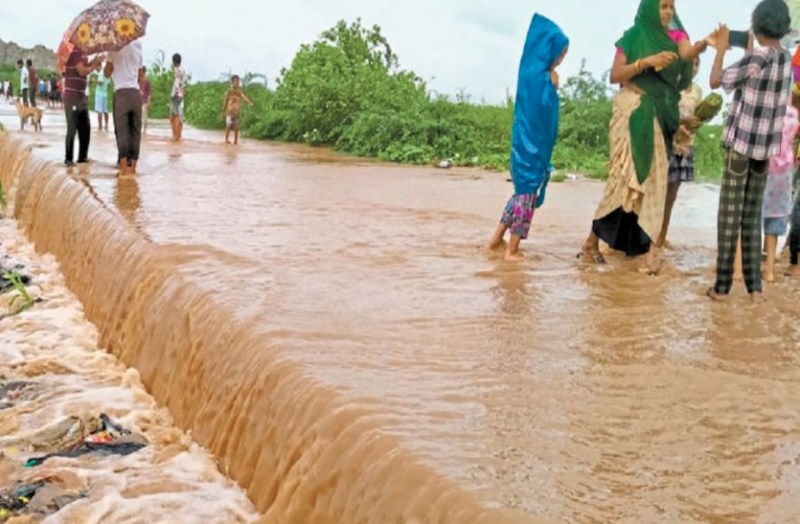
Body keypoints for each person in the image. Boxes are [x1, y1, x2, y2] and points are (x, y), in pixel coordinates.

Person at [579, 0, 708, 274]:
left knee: (653, 184)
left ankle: (646, 252)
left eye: (671, 7)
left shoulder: (674, 40)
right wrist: (645, 62)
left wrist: (699, 47)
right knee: (625, 181)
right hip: (632, 113)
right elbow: (616, 75)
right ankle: (594, 244)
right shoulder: (633, 37)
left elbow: (682, 74)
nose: (668, 12)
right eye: (662, 7)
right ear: (650, 8)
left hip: (658, 116)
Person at [707, 0, 792, 303]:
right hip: (765, 150)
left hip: (741, 146)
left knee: (729, 215)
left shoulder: (756, 57)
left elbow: (716, 81)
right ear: (784, 27)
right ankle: (755, 289)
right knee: (752, 216)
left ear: (756, 24)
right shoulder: (784, 60)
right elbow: (755, 77)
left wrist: (719, 49)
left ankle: (721, 287)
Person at [487, 14, 569, 262]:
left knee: (522, 194)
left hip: (525, 145)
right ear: (547, 49)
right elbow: (541, 109)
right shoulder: (539, 77)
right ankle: (512, 250)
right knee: (526, 197)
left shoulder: (532, 72)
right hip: (529, 148)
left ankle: (495, 240)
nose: (561, 59)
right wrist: (552, 88)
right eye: (560, 54)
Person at [657, 56, 703, 248]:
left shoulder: (697, 91)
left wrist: (694, 124)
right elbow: (664, 113)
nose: (693, 68)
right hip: (668, 143)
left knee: (671, 196)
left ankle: (661, 236)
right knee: (657, 193)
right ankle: (647, 235)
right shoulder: (672, 87)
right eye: (690, 64)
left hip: (686, 147)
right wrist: (679, 125)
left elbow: (698, 118)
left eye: (696, 64)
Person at [761, 103, 798, 283]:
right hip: (783, 172)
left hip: (763, 165)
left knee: (750, 217)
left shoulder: (769, 107)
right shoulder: (794, 115)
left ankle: (740, 268)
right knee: (774, 220)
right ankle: (769, 270)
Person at [105, 40, 143, 176]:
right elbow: (140, 76)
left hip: (121, 94)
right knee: (135, 131)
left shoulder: (113, 47)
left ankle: (123, 168)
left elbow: (107, 73)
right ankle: (133, 167)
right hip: (135, 93)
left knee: (122, 131)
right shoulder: (138, 46)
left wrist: (108, 61)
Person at [63, 49, 104, 166]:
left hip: (81, 98)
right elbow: (81, 71)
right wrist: (93, 66)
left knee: (85, 128)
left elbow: (87, 66)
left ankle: (82, 157)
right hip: (72, 98)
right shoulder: (75, 54)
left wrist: (95, 61)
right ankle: (69, 159)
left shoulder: (83, 55)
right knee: (72, 129)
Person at [222, 75, 254, 145]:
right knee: (228, 125)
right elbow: (225, 101)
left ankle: (235, 141)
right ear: (232, 82)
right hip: (229, 111)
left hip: (237, 112)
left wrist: (249, 102)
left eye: (238, 81)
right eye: (235, 81)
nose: (237, 83)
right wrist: (223, 111)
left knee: (236, 127)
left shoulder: (239, 91)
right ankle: (226, 140)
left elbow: (244, 97)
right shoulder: (229, 91)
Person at [170, 53, 185, 142]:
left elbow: (177, 83)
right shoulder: (182, 70)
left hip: (176, 94)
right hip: (180, 93)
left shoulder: (177, 70)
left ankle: (175, 136)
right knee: (178, 115)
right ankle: (178, 135)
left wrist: (174, 93)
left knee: (174, 116)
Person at [139, 66, 152, 135]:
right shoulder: (138, 80)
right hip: (138, 100)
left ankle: (144, 129)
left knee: (144, 115)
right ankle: (140, 128)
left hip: (144, 100)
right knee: (139, 115)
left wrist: (149, 101)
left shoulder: (147, 82)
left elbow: (149, 92)